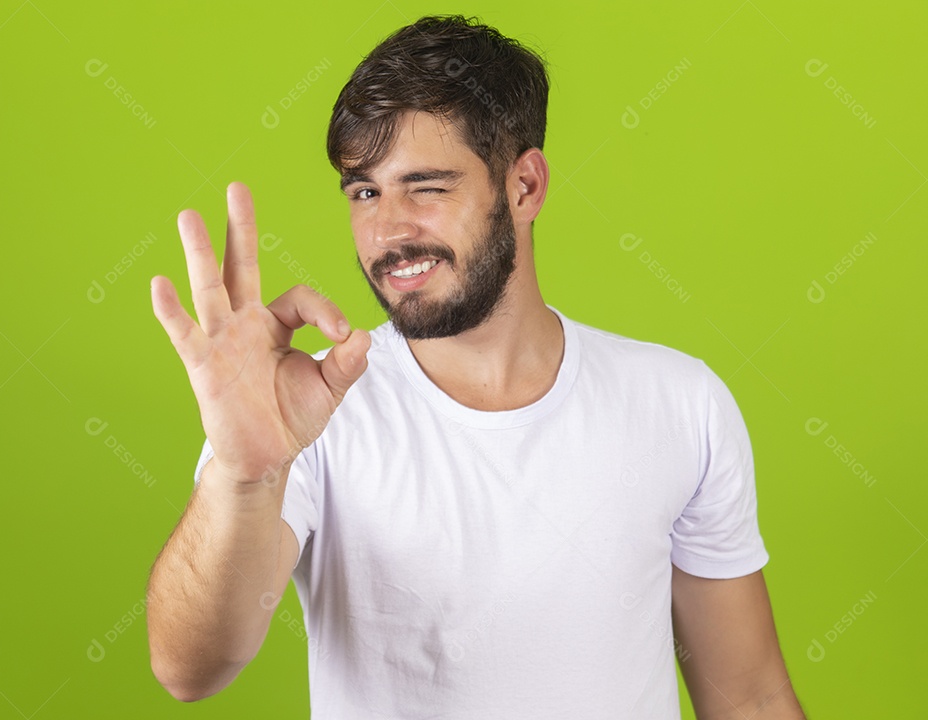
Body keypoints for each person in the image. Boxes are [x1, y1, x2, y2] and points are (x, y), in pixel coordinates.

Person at [146, 14, 806, 719]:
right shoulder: (305, 416)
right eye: (365, 191)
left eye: (425, 186)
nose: (388, 232)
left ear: (525, 186)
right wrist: (245, 477)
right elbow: (189, 668)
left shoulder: (680, 403)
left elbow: (749, 698)